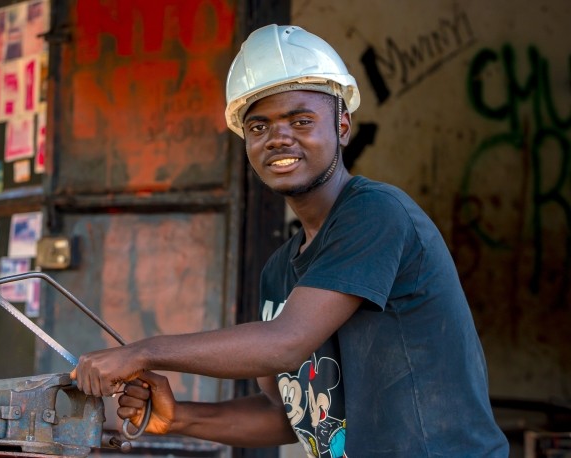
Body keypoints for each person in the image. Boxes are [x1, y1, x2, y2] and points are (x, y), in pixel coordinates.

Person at [70, 24, 509, 457]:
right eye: (258, 128)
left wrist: (144, 352)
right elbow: (292, 417)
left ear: (342, 126)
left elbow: (286, 343)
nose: (278, 138)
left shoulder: (375, 211)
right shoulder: (280, 271)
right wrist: (179, 415)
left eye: (300, 120)